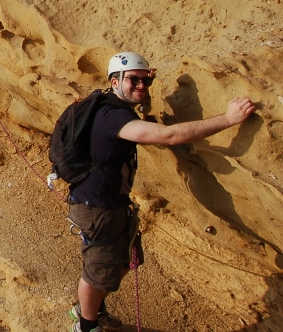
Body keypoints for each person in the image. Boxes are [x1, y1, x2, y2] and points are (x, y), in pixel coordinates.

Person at [67, 51, 256, 332]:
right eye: (133, 80)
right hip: (97, 208)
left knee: (126, 261)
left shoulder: (107, 101)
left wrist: (141, 83)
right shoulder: (112, 118)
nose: (141, 86)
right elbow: (169, 136)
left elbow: (138, 99)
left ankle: (90, 309)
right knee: (98, 273)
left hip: (110, 203)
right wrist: (229, 119)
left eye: (146, 80)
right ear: (114, 81)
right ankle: (86, 324)